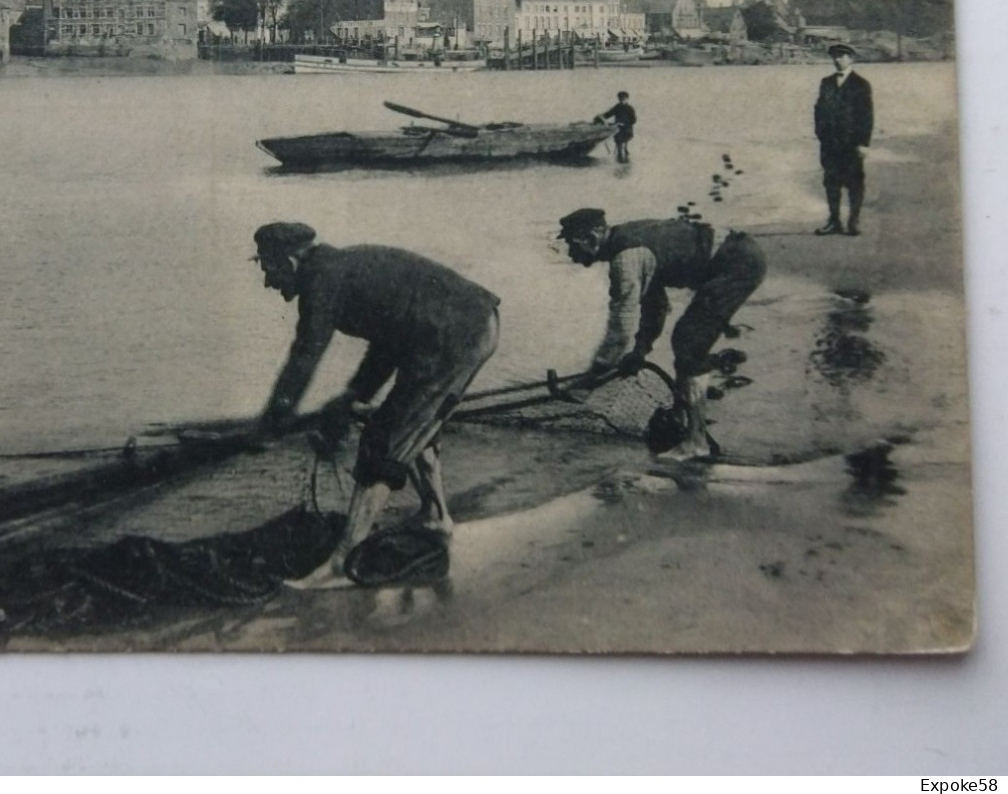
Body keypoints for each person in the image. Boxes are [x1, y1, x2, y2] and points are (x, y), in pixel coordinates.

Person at [252, 221, 500, 588]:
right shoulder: (340, 267)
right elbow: (388, 339)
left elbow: (305, 354)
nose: (268, 283)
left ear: (289, 261)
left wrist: (273, 420)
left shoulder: (322, 279)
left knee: (384, 439)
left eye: (268, 270)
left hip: (454, 334)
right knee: (415, 425)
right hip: (469, 323)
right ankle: (435, 516)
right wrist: (354, 394)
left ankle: (345, 560)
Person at [557, 208, 766, 462]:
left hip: (736, 264)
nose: (570, 253)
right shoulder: (629, 244)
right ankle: (683, 419)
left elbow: (620, 329)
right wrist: (640, 350)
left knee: (688, 342)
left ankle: (696, 442)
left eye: (572, 244)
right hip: (736, 255)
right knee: (687, 340)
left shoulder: (626, 260)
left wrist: (590, 380)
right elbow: (655, 307)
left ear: (591, 238)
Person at [813, 42, 873, 236]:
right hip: (830, 143)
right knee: (831, 182)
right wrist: (821, 134)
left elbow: (866, 116)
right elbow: (819, 110)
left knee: (855, 182)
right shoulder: (826, 82)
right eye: (834, 56)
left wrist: (863, 144)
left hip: (852, 144)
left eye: (841, 56)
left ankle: (853, 222)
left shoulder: (861, 84)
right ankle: (834, 221)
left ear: (851, 59)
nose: (837, 60)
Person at [596, 91, 637, 162]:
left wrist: (624, 123)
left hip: (627, 129)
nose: (621, 101)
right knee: (619, 145)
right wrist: (600, 117)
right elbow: (609, 114)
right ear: (618, 99)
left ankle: (625, 157)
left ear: (627, 99)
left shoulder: (630, 108)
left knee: (624, 145)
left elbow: (633, 120)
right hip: (618, 129)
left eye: (623, 99)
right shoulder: (617, 107)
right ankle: (620, 158)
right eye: (620, 99)